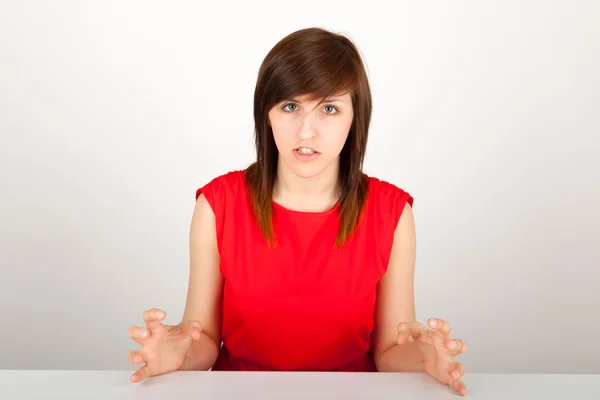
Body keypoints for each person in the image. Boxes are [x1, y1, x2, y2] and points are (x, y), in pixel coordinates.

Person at [127, 27, 468, 395]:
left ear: (355, 118)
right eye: (291, 106)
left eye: (329, 109)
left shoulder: (391, 213)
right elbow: (203, 336)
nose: (307, 132)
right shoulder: (217, 204)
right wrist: (176, 351)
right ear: (267, 114)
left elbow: (389, 351)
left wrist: (426, 359)